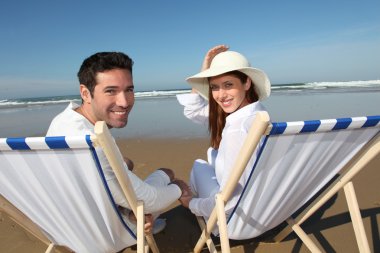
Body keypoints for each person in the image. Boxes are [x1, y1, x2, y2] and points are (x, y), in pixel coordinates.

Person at [47, 51, 190, 234]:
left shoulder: (63, 121)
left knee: (125, 162)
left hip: (67, 222)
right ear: (85, 93)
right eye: (110, 91)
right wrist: (179, 188)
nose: (124, 102)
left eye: (129, 90)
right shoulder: (93, 142)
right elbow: (149, 200)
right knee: (167, 174)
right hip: (105, 231)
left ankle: (127, 212)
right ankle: (133, 220)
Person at [176, 45, 271, 221]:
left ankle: (199, 211)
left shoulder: (238, 129)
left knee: (199, 165)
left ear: (247, 83)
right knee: (212, 154)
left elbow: (227, 203)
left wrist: (190, 204)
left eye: (228, 85)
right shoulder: (258, 113)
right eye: (214, 87)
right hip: (267, 209)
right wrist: (206, 70)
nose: (220, 95)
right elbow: (193, 111)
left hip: (235, 220)